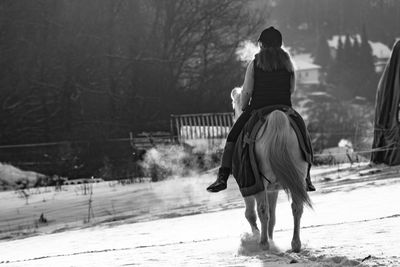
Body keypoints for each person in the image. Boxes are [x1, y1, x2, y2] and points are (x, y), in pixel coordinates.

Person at [207, 26, 315, 193]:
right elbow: (292, 89)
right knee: (303, 134)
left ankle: (222, 176)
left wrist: (244, 108)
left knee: (232, 137)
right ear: (280, 44)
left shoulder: (255, 63)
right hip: (285, 108)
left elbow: (248, 91)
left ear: (261, 45)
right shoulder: (288, 63)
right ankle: (306, 176)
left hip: (258, 108)